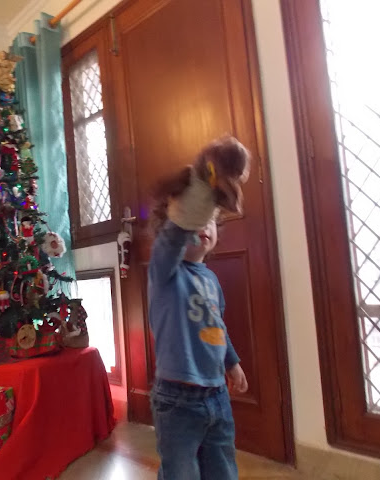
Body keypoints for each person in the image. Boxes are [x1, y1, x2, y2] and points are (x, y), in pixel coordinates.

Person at [148, 136, 250, 480]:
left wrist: (232, 363)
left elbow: (217, 327)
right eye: (197, 219)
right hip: (176, 399)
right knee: (181, 473)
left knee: (223, 468)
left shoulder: (211, 280)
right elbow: (172, 238)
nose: (204, 226)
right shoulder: (165, 272)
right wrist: (187, 213)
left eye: (210, 219)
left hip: (217, 393)